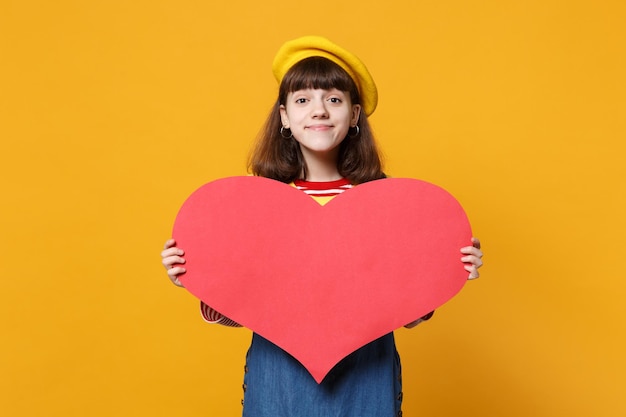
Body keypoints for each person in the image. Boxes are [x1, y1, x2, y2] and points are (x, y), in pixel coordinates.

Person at [161, 36, 483, 417]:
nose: (319, 111)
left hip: (367, 372)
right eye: (302, 100)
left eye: (333, 99)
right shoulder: (254, 204)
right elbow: (245, 303)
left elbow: (406, 311)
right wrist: (194, 275)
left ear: (355, 113)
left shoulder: (388, 205)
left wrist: (446, 272)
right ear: (284, 116)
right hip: (279, 372)